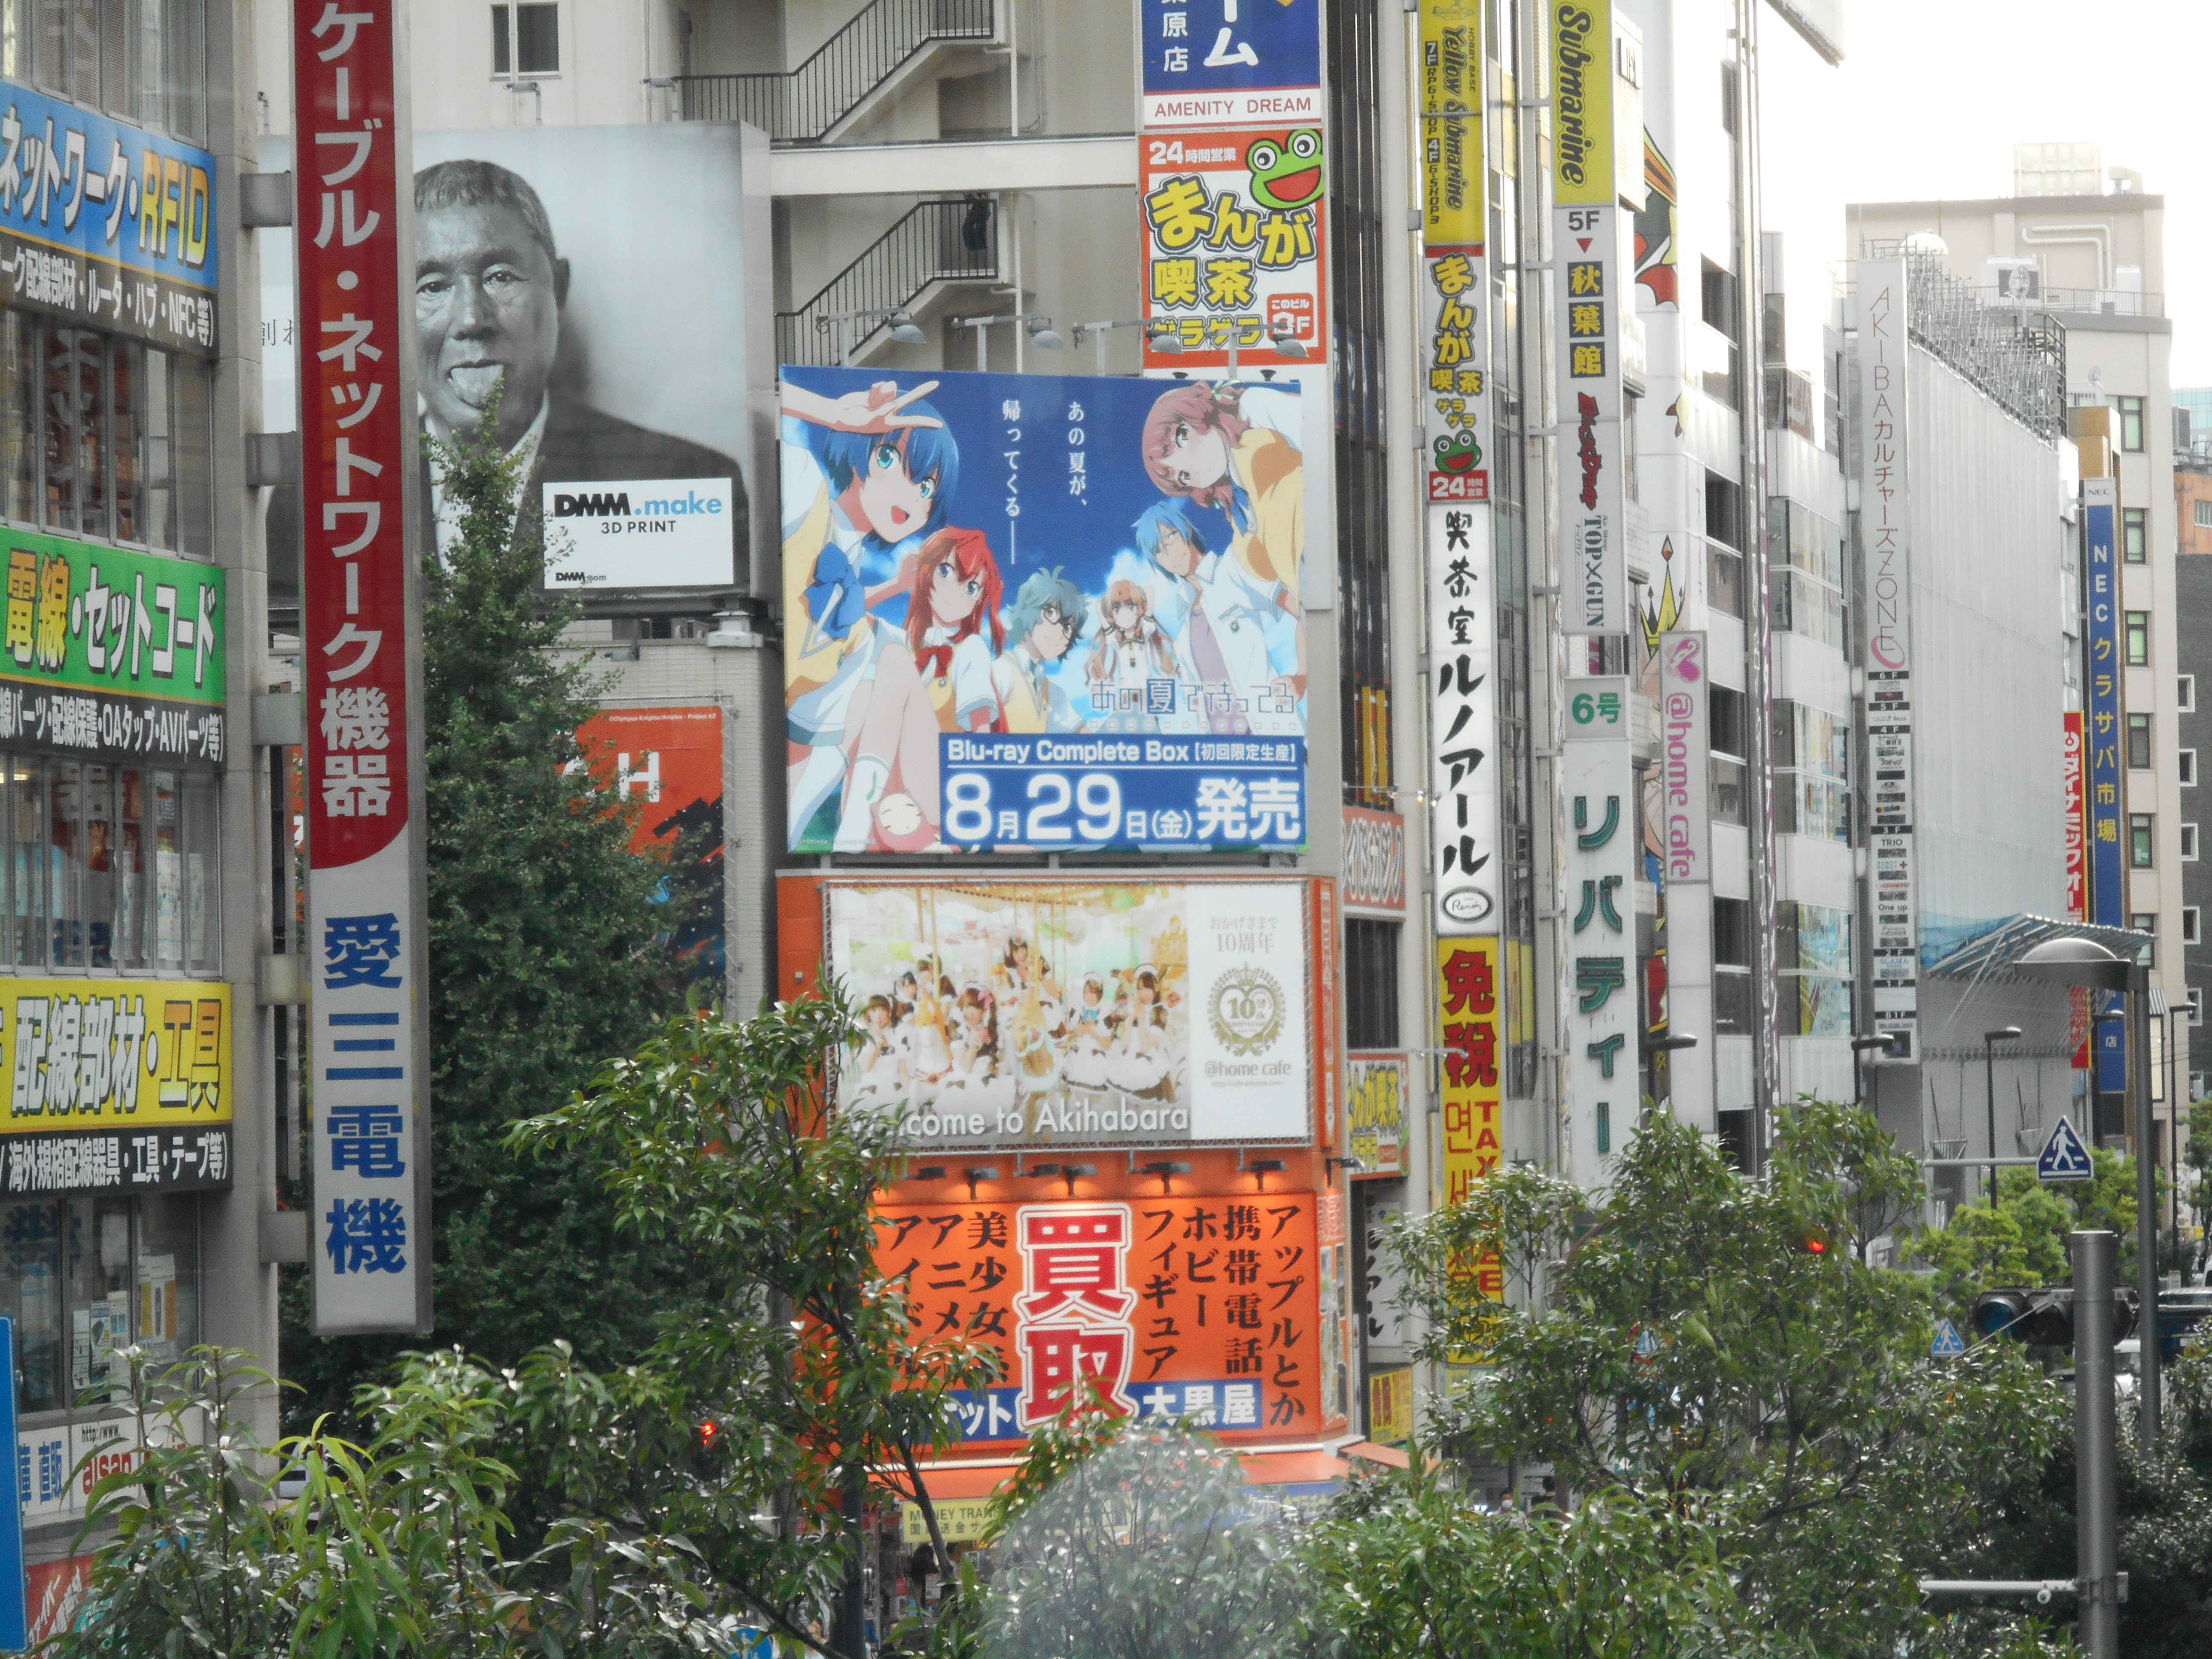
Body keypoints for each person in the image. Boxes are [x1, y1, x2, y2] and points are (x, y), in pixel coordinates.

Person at [267, 159, 749, 591]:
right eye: (431, 287)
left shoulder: (684, 481)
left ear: (558, 288)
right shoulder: (317, 502)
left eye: (500, 277)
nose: (471, 319)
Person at [779, 378, 961, 846]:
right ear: (861, 455)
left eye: (927, 487)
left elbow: (842, 611)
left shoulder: (853, 556)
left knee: (889, 649)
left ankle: (893, 825)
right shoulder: (803, 487)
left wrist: (896, 587)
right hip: (776, 717)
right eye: (891, 460)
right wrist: (832, 414)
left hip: (815, 734)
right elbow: (746, 397)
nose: (914, 497)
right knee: (890, 649)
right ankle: (909, 827)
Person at [837, 526, 1006, 851]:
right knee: (865, 691)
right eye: (947, 571)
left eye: (972, 587)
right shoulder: (903, 644)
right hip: (896, 795)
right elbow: (842, 615)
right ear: (926, 572)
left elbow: (981, 738)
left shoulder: (970, 649)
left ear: (979, 601)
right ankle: (858, 819)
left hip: (946, 794)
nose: (957, 592)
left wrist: (976, 820)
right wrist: (897, 585)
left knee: (892, 659)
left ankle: (858, 821)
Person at [1140, 380, 1306, 696]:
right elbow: (1303, 605)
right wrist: (1302, 679)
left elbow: (1325, 445)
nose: (1193, 466)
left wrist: (1305, 676)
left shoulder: (1255, 409)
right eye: (1184, 476)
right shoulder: (1242, 521)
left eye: (1182, 436)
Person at [1134, 499, 1298, 735]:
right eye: (1158, 551)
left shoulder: (1231, 569)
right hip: (1220, 747)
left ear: (1186, 529)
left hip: (1269, 734)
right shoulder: (1184, 622)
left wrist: (1302, 677)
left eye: (1170, 536)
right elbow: (1195, 698)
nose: (1169, 554)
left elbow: (1297, 607)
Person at [992, 567, 1088, 733]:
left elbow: (1084, 735)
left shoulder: (1051, 691)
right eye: (1051, 613)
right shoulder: (1002, 670)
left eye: (1068, 628)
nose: (1060, 632)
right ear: (1028, 610)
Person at [1084, 579, 1179, 732]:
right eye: (1117, 610)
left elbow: (1149, 590)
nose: (1125, 614)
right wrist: (1114, 599)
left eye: (1131, 607)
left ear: (1140, 608)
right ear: (1111, 615)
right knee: (1123, 728)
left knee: (1150, 728)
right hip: (1126, 691)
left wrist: (1134, 595)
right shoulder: (1114, 638)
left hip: (1145, 689)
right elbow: (1099, 607)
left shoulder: (1145, 630)